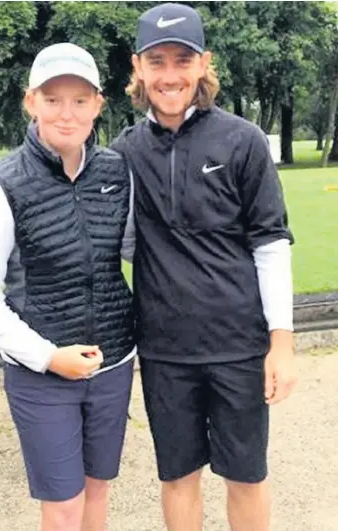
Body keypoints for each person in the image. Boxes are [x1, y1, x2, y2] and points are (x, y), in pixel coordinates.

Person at [110, 3, 298, 531]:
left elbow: (270, 244)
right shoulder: (122, 151)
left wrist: (280, 343)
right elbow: (120, 244)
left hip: (238, 344)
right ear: (138, 69)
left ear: (203, 64)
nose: (170, 75)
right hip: (165, 348)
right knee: (177, 477)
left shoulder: (243, 141)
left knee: (245, 476)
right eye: (157, 61)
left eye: (182, 60)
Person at [0, 42, 136, 531]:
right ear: (30, 101)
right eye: (53, 98)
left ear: (98, 104)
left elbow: (135, 250)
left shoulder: (117, 172)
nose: (67, 112)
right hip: (42, 374)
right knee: (63, 507)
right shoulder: (2, 184)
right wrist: (45, 356)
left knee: (98, 494)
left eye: (80, 100)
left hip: (114, 361)